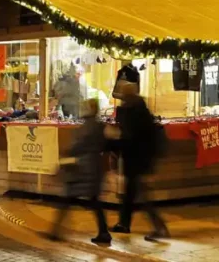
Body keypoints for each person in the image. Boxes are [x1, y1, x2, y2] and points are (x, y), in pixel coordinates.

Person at [47, 99, 111, 246]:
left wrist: (64, 157)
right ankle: (103, 232)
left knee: (68, 198)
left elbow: (76, 146)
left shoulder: (85, 127)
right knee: (94, 201)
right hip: (95, 167)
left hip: (81, 168)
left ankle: (56, 231)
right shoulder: (100, 126)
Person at [110, 81, 169, 241]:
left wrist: (112, 143)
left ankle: (160, 228)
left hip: (138, 160)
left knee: (143, 196)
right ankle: (124, 223)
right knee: (130, 194)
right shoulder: (138, 109)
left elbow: (131, 138)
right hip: (138, 159)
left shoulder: (134, 112)